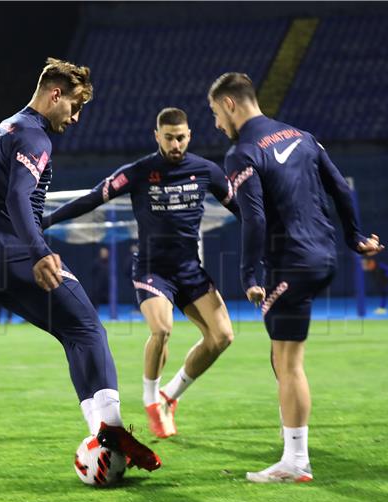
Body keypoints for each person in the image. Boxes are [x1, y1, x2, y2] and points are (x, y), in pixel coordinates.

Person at [0, 58, 161, 472]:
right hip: (19, 255)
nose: (76, 117)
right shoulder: (35, 137)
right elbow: (18, 198)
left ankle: (103, 437)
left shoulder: (5, 127)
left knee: (73, 334)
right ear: (55, 94)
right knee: (89, 327)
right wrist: (36, 252)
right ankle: (113, 426)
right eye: (74, 105)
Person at [207, 72, 383, 483]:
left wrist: (249, 273)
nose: (217, 123)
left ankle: (296, 461)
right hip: (323, 256)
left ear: (231, 104)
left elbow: (254, 216)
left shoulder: (243, 151)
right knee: (282, 357)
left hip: (291, 263)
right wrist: (356, 237)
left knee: (288, 363)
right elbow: (340, 187)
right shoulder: (301, 135)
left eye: (216, 113)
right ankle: (293, 449)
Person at [43, 107, 240, 439]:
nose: (175, 144)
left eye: (180, 138)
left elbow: (243, 209)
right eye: (168, 138)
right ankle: (151, 401)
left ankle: (169, 395)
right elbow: (93, 198)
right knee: (162, 329)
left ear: (189, 136)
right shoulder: (139, 172)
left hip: (190, 271)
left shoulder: (207, 172)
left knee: (222, 337)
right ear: (157, 136)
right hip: (152, 270)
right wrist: (46, 220)